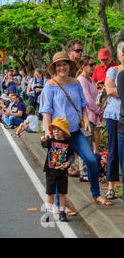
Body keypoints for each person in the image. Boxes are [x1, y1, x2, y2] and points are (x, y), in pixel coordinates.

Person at [40, 51, 112, 206]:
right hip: (59, 135)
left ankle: (96, 194)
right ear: (54, 68)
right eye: (58, 65)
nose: (62, 68)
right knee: (59, 169)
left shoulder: (75, 83)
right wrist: (48, 131)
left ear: (69, 65)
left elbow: (83, 105)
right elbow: (46, 111)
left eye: (64, 64)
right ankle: (61, 206)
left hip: (75, 132)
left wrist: (85, 120)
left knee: (92, 160)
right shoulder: (50, 85)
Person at [40, 117, 75, 222]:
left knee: (62, 193)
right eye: (54, 129)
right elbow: (44, 144)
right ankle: (48, 213)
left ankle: (62, 212)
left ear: (64, 131)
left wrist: (68, 163)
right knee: (50, 193)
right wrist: (42, 140)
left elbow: (71, 156)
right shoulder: (51, 141)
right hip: (50, 172)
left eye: (59, 129)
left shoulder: (68, 143)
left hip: (62, 172)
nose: (56, 131)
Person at [77, 56, 103, 182]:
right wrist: (99, 110)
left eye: (94, 64)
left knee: (95, 145)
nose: (93, 67)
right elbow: (87, 100)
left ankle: (93, 170)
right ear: (83, 66)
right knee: (86, 144)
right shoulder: (81, 80)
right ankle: (84, 172)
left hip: (94, 117)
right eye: (90, 65)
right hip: (87, 117)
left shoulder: (91, 80)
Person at [104, 42, 124, 200]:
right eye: (122, 53)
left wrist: (119, 91)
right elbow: (109, 90)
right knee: (113, 150)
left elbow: (115, 91)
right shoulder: (113, 70)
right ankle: (110, 186)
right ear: (118, 55)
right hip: (113, 115)